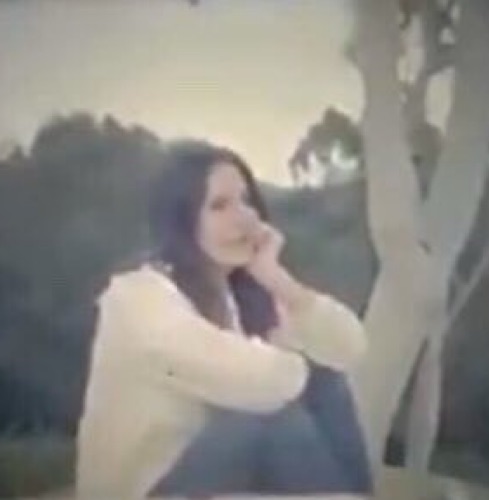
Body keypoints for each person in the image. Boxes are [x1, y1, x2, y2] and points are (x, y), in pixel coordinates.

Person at [76, 139, 369, 498]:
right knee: (268, 414)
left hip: (217, 477)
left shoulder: (241, 296)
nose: (244, 217)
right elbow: (264, 381)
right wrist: (295, 365)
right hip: (148, 489)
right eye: (219, 206)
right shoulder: (139, 297)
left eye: (246, 201)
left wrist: (277, 278)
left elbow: (350, 348)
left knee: (325, 381)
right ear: (182, 221)